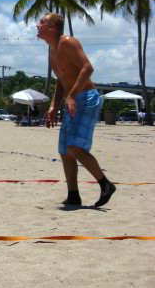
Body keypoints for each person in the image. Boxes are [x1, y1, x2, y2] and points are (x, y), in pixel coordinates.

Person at [37, 13, 116, 207]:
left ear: (53, 27)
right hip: (71, 99)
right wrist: (54, 106)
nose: (37, 25)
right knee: (65, 150)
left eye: (42, 22)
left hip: (86, 98)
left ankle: (105, 184)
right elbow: (61, 81)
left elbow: (88, 68)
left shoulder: (67, 42)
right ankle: (73, 195)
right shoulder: (51, 50)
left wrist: (71, 96)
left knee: (75, 147)